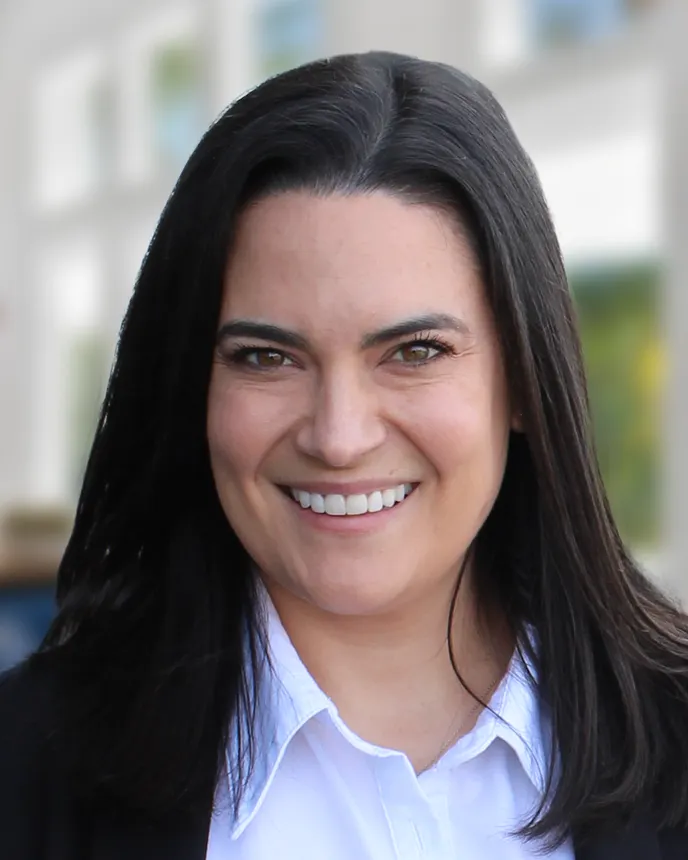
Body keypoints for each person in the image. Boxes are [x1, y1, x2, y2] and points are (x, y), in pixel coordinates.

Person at [1, 50, 687, 860]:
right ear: (193, 387)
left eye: (416, 350)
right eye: (266, 357)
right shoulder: (25, 767)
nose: (338, 435)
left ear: (525, 383)